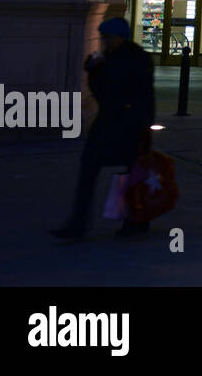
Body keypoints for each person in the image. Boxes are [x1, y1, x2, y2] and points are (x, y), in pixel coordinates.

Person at [51, 17, 155, 239]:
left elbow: (145, 95)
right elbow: (100, 93)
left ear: (120, 37)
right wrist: (93, 72)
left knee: (132, 175)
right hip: (108, 123)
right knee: (90, 169)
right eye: (103, 37)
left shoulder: (137, 59)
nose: (104, 41)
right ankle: (78, 223)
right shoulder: (106, 59)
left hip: (129, 126)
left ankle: (136, 220)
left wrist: (145, 127)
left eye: (108, 37)